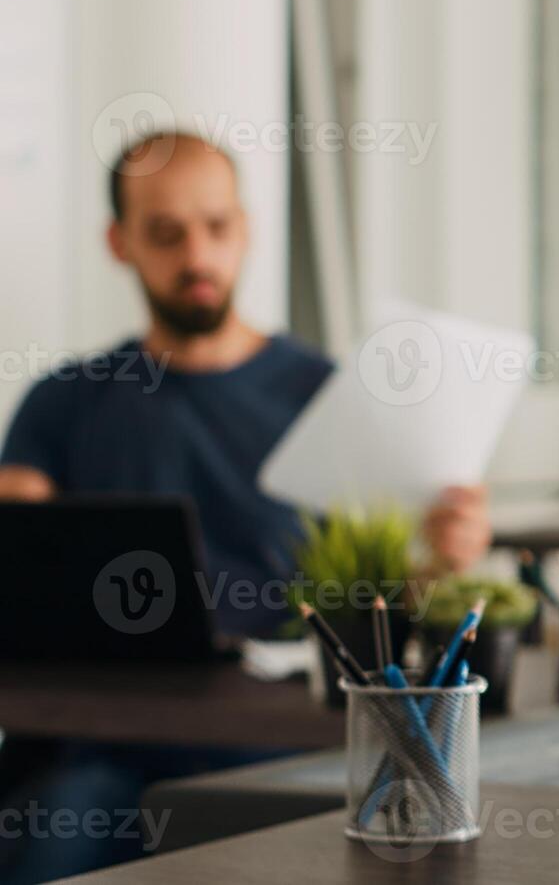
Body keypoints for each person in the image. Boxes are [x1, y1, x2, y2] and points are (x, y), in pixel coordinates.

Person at [0, 132, 492, 636]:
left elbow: (384, 610)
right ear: (119, 242)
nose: (197, 258)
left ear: (246, 229)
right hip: (104, 702)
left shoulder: (331, 399)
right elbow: (18, 566)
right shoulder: (62, 402)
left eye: (217, 227)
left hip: (285, 704)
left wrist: (443, 560)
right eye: (167, 233)